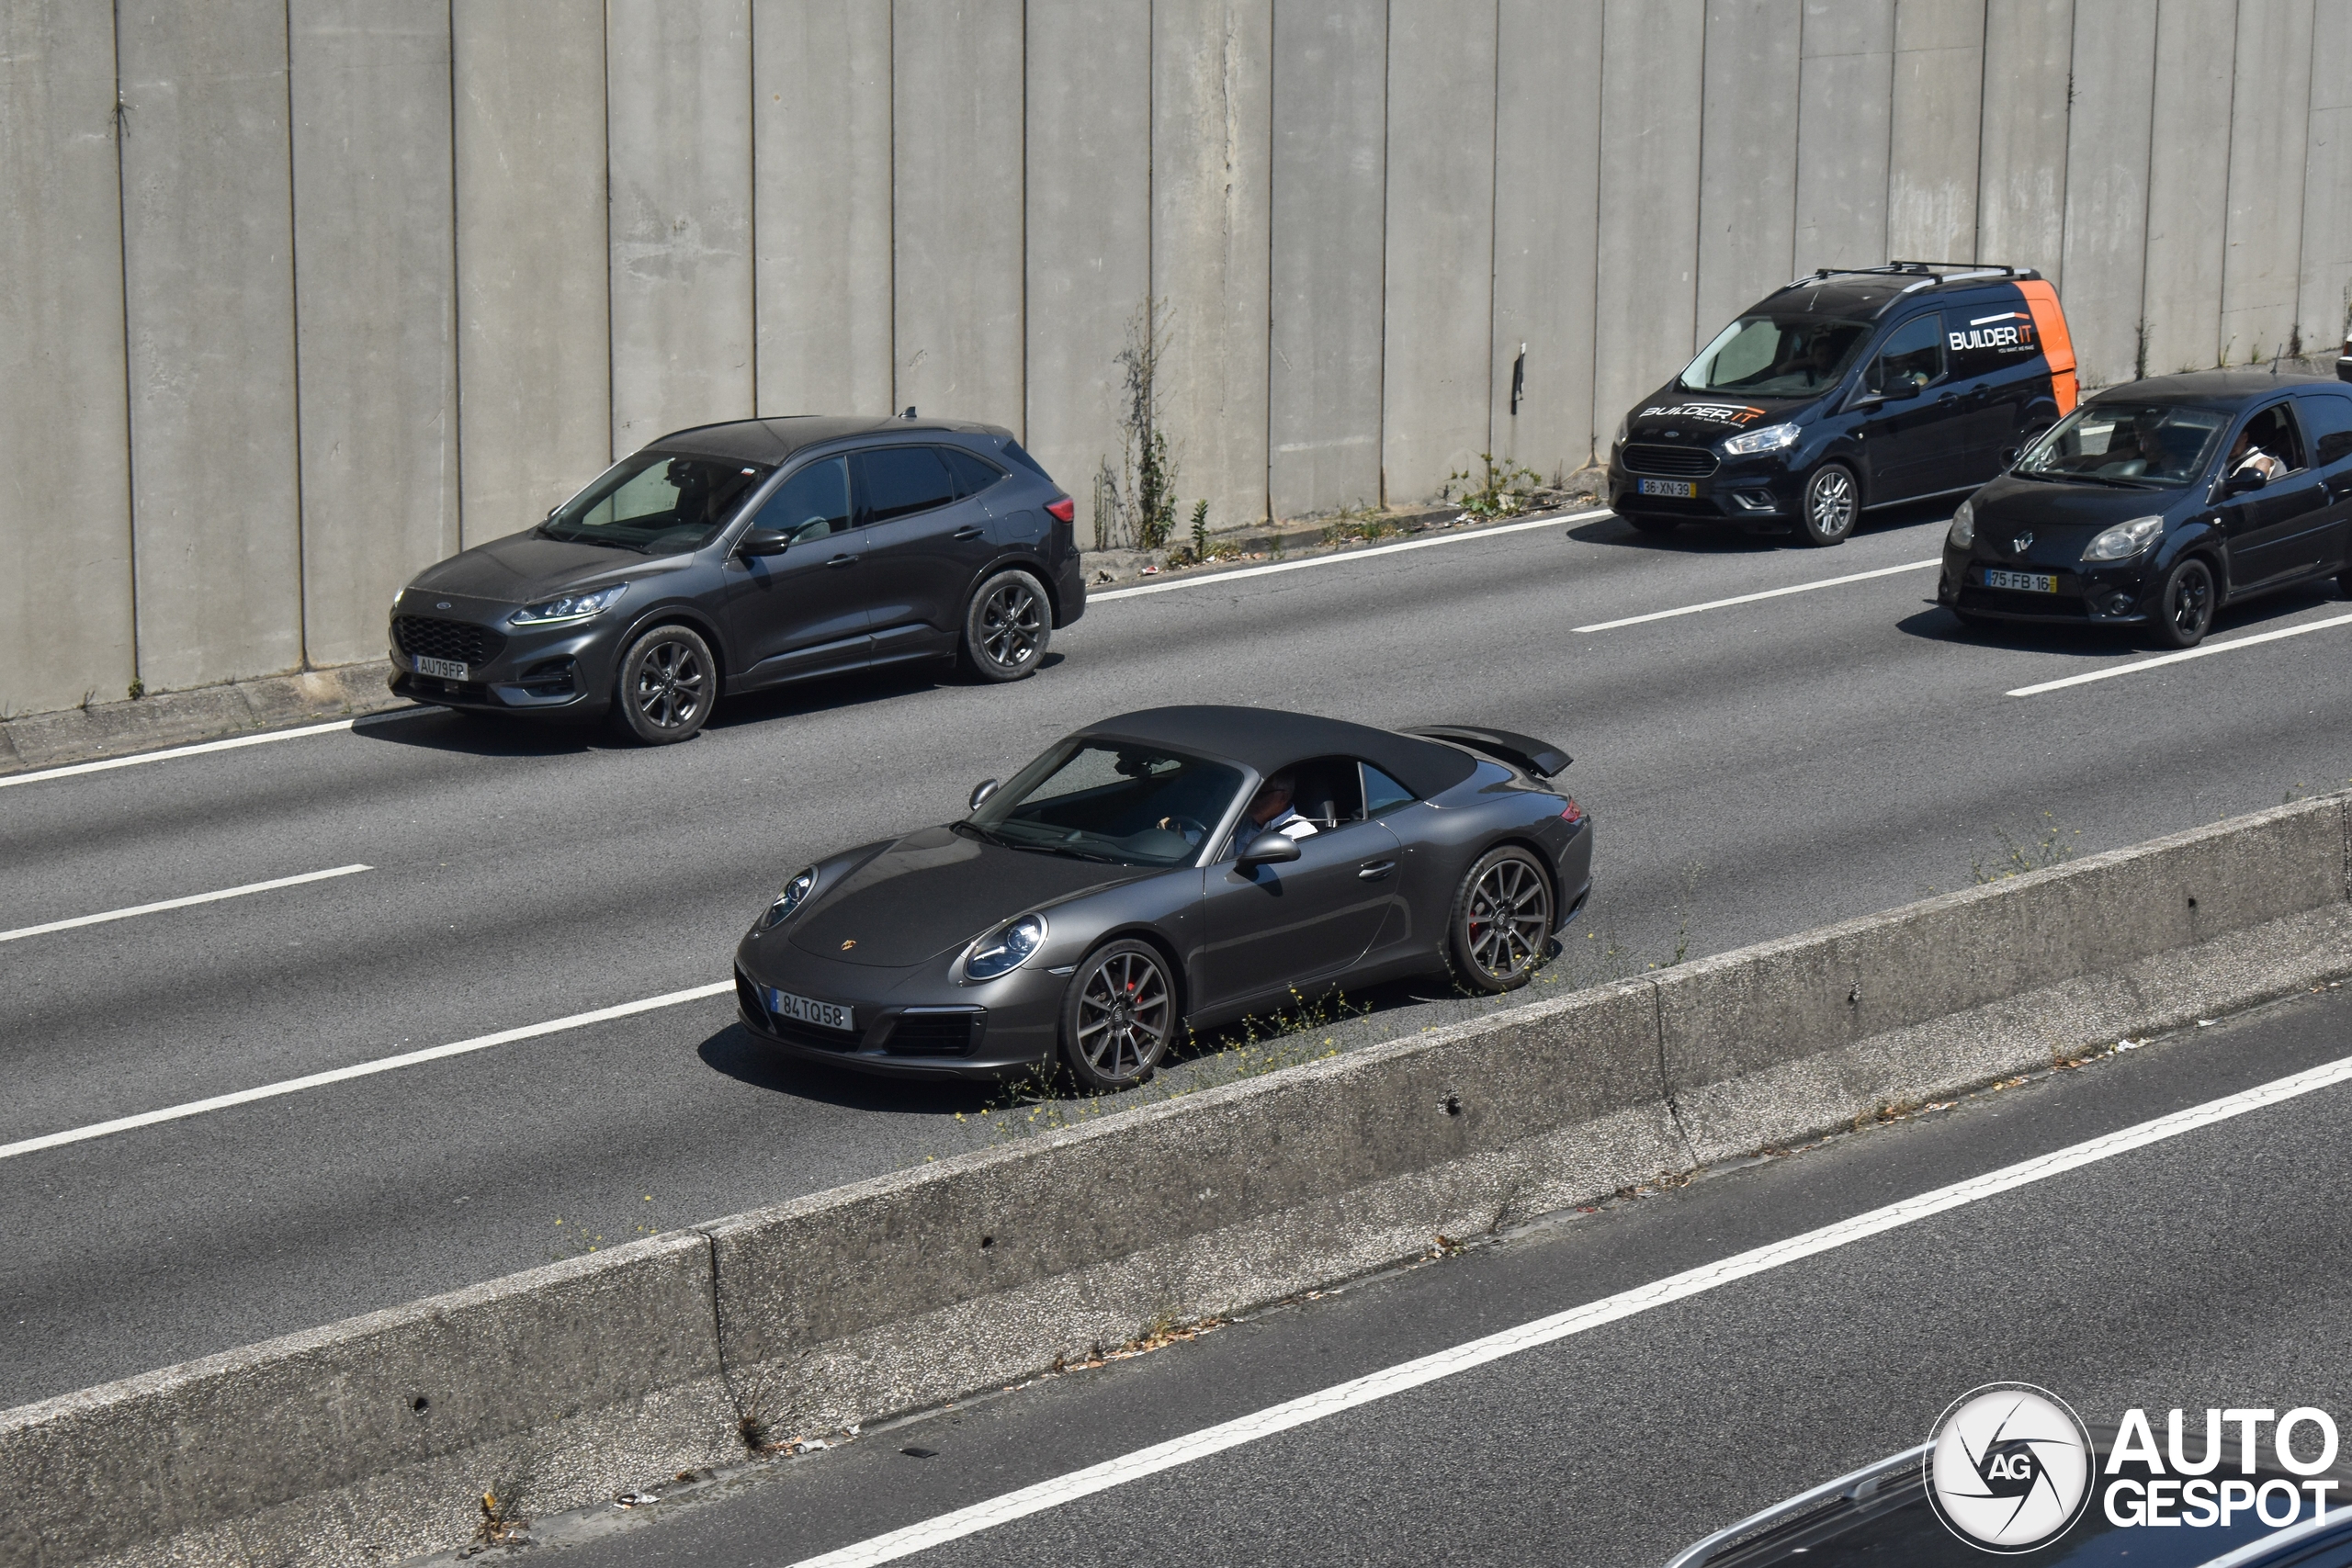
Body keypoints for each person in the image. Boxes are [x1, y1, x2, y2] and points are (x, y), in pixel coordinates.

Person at [1228, 771, 1319, 857]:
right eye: (1251, 791)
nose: (1252, 798)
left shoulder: (1302, 833)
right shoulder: (1239, 818)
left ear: (1283, 797)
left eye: (1261, 793)